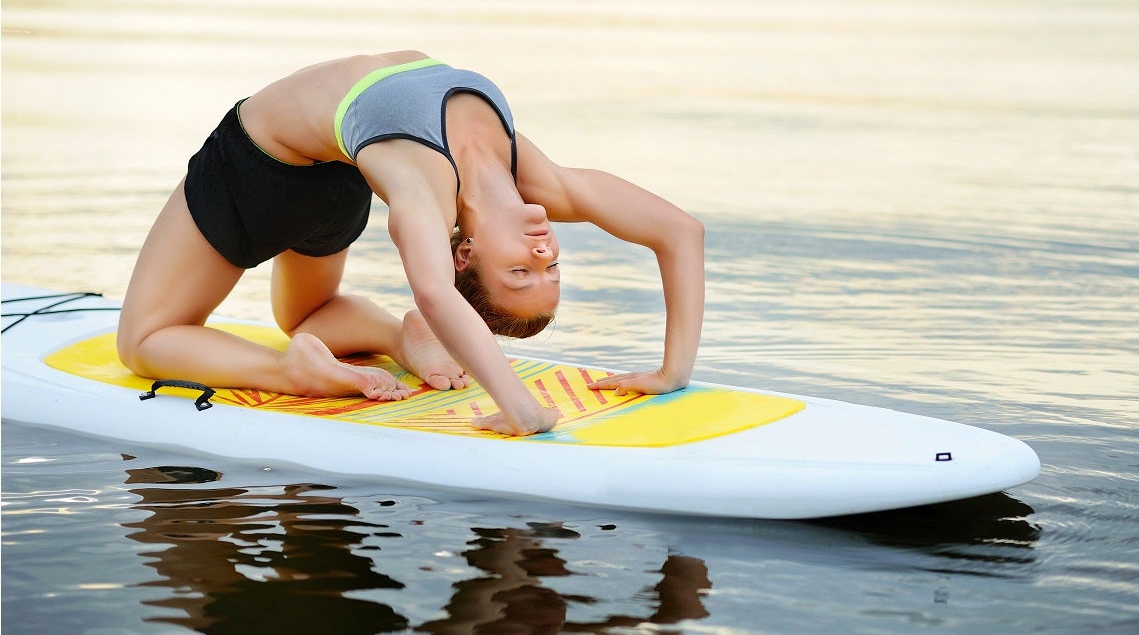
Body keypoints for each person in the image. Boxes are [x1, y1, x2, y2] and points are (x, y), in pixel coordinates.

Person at [116, 50, 705, 436]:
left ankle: (291, 373)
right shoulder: (541, 179)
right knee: (308, 315)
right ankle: (402, 339)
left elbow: (433, 288)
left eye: (520, 274)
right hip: (340, 171)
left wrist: (520, 408)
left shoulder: (424, 194)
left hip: (265, 164)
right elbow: (681, 232)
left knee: (144, 341)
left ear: (466, 254)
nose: (543, 256)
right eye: (548, 274)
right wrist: (672, 371)